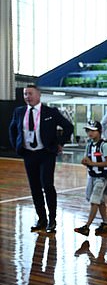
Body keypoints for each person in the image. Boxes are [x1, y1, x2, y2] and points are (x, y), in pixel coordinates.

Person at [9, 85, 74, 234]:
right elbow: (12, 129)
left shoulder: (50, 112)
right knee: (35, 187)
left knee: (47, 185)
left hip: (46, 154)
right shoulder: (19, 112)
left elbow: (68, 127)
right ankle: (42, 219)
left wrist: (60, 143)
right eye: (25, 94)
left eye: (30, 93)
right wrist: (17, 145)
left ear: (39, 95)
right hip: (29, 154)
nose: (27, 96)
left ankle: (52, 219)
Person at [74, 120, 107, 236]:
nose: (90, 133)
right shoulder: (89, 145)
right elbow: (87, 159)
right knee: (100, 201)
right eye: (88, 130)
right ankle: (106, 223)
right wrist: (85, 162)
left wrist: (92, 164)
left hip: (102, 177)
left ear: (99, 131)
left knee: (94, 201)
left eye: (92, 130)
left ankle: (87, 226)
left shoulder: (104, 145)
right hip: (92, 177)